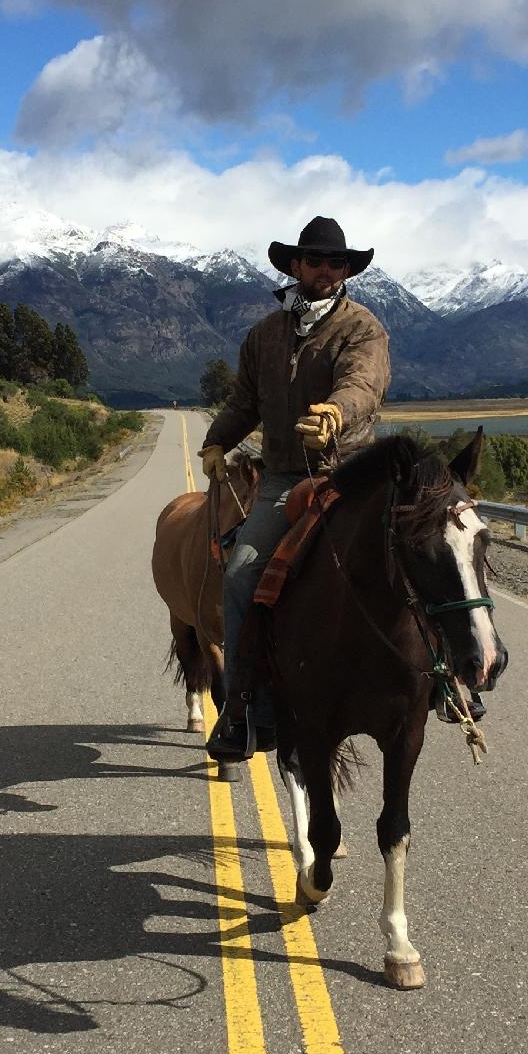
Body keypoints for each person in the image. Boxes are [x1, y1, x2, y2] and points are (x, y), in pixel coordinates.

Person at [198, 215, 390, 762]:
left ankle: (453, 676)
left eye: (337, 262)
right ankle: (242, 708)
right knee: (241, 575)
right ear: (295, 266)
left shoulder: (362, 328)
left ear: (346, 270)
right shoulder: (265, 334)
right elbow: (244, 402)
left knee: (423, 550)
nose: (326, 269)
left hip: (349, 471)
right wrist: (216, 442)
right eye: (316, 260)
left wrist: (336, 412)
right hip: (284, 477)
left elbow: (363, 384)